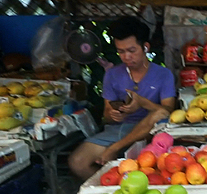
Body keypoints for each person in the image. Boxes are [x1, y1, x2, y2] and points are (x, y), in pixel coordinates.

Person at [68, 16, 176, 180]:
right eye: (121, 51)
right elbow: (106, 117)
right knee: (77, 162)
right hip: (119, 129)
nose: (126, 57)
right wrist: (115, 114)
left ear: (145, 47)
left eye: (132, 51)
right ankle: (113, 192)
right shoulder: (112, 74)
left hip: (149, 131)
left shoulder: (163, 74)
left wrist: (141, 103)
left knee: (158, 115)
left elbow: (169, 112)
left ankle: (115, 149)